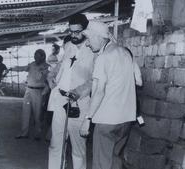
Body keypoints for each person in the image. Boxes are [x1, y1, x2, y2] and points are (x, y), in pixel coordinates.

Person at [80, 21, 137, 169]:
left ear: (99, 37)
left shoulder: (103, 57)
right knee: (115, 161)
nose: (87, 44)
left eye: (89, 38)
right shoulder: (125, 53)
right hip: (126, 119)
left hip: (107, 120)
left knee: (101, 163)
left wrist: (87, 119)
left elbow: (99, 91)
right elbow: (139, 81)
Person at [48, 13, 95, 169]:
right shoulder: (69, 46)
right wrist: (52, 75)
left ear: (86, 30)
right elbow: (61, 65)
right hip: (61, 100)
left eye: (77, 32)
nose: (74, 35)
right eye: (71, 31)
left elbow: (95, 79)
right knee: (56, 145)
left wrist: (78, 92)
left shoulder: (94, 49)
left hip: (79, 103)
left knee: (78, 148)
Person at [10, 49, 50, 140]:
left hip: (38, 92)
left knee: (37, 114)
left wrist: (46, 90)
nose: (35, 57)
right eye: (35, 55)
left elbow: (48, 79)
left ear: (43, 56)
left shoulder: (47, 67)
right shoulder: (32, 64)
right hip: (28, 90)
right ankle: (24, 133)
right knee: (25, 111)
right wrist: (12, 68)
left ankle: (37, 134)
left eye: (37, 56)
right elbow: (23, 68)